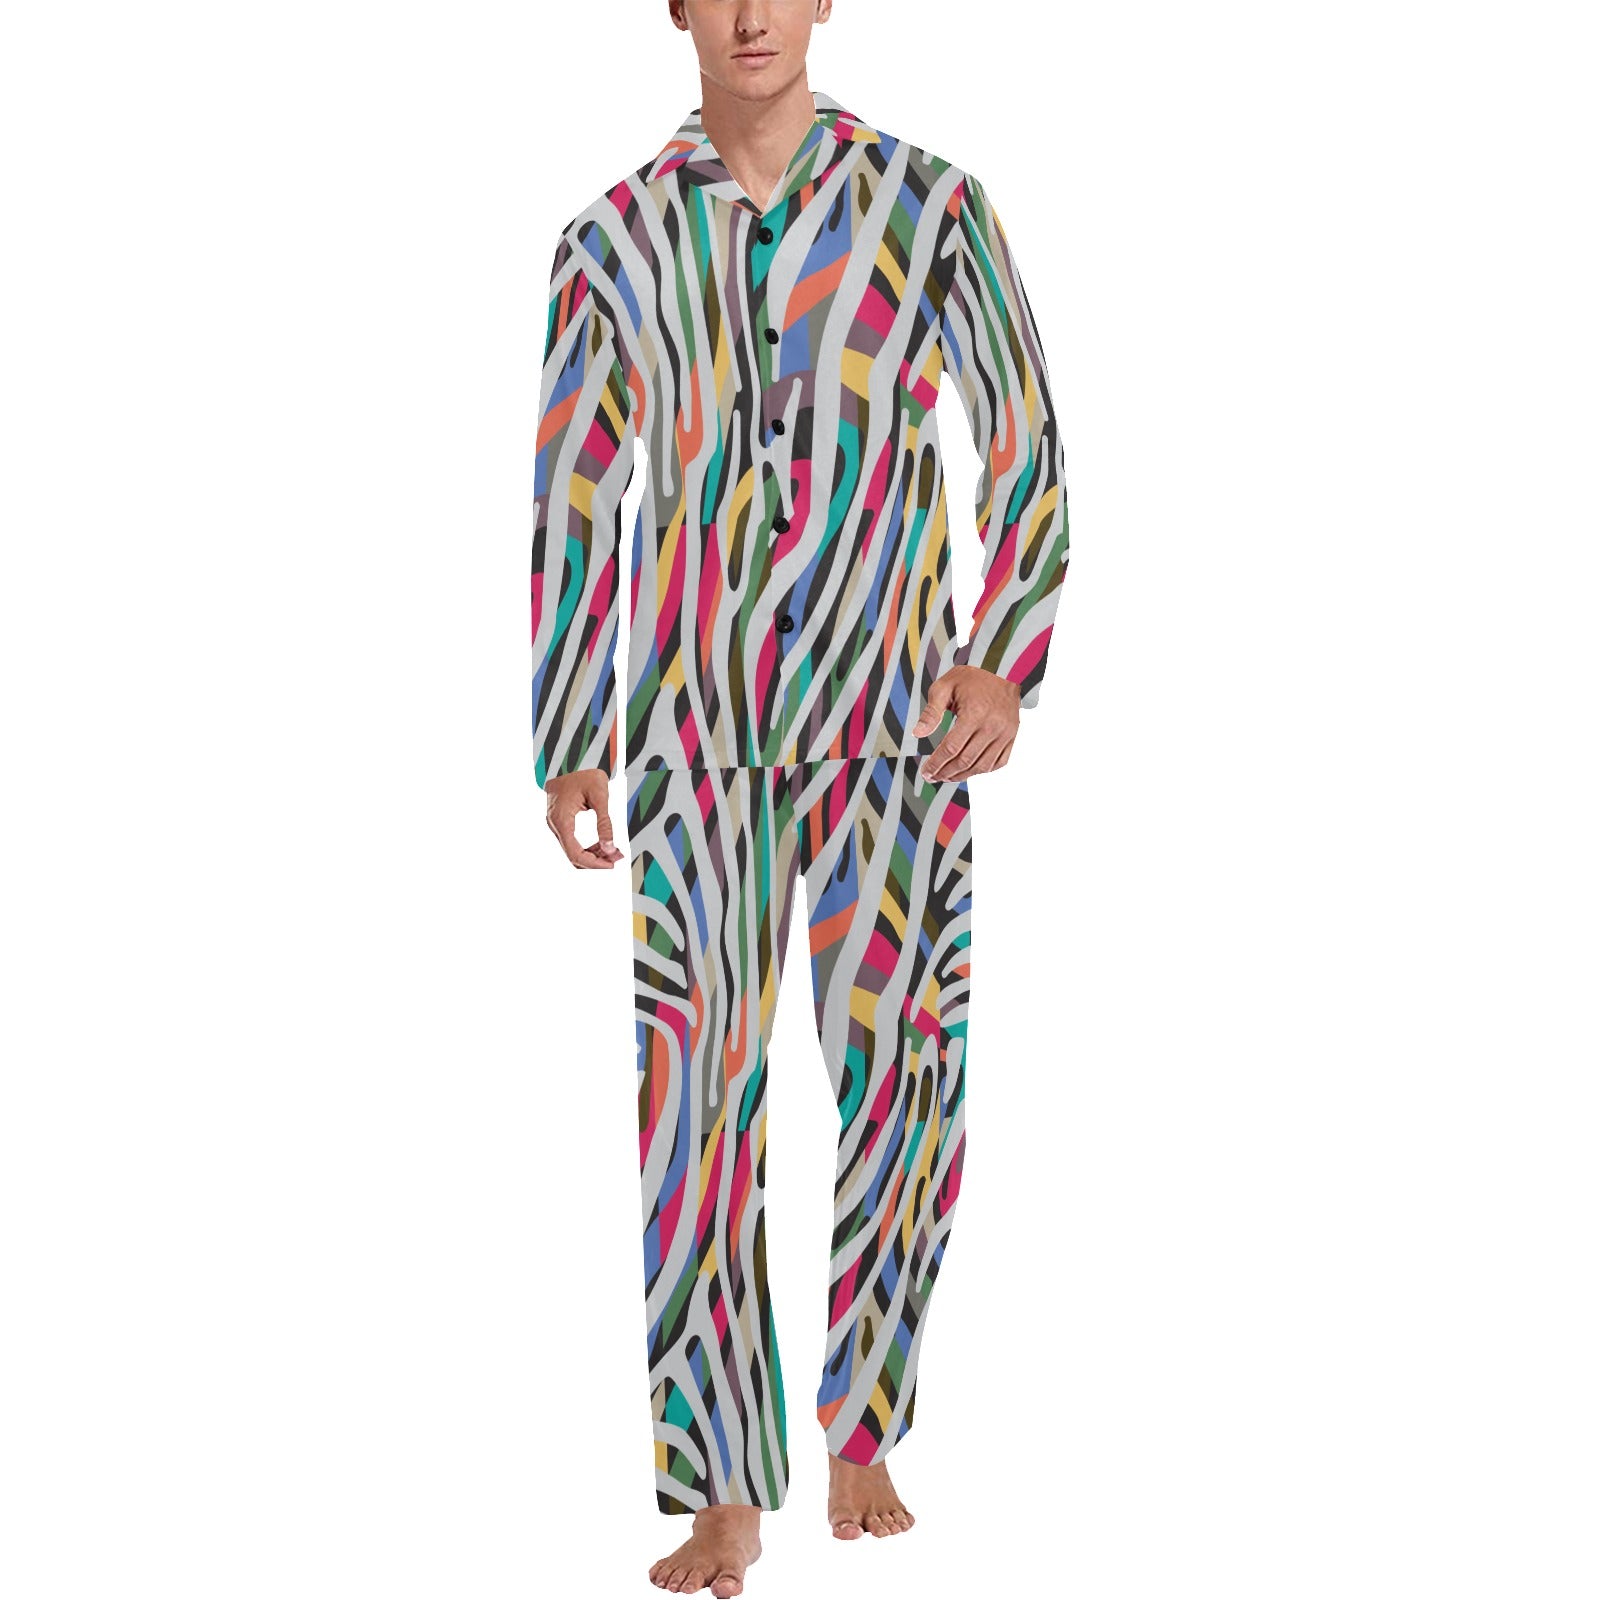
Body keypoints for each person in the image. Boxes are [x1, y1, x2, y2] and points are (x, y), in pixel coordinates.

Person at [529, 3, 1068, 1593]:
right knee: (692, 1112)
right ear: (675, 7)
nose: (753, 15)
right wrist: (570, 732)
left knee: (907, 1082)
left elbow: (1026, 443)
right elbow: (575, 492)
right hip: (694, 742)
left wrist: (1003, 658)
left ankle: (862, 1420)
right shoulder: (611, 242)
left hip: (894, 733)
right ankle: (720, 1486)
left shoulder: (933, 208)